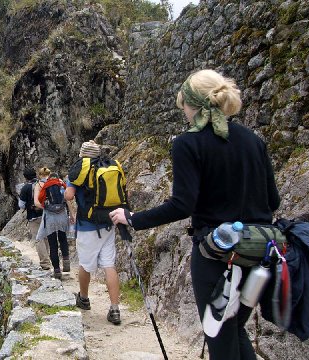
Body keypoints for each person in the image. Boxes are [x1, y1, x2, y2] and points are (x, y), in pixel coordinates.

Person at [110, 69, 280, 359]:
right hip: (258, 252)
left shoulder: (187, 143)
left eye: (184, 106)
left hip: (217, 255)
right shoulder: (253, 140)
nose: (184, 113)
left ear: (193, 105)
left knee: (219, 335)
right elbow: (272, 200)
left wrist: (133, 219)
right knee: (234, 329)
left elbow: (182, 205)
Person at [65, 141, 122, 325]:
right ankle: (114, 309)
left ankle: (84, 298)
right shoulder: (108, 166)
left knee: (85, 265)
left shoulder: (80, 170)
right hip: (108, 223)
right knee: (109, 265)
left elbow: (69, 196)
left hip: (88, 225)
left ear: (82, 156)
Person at [36, 171, 70, 279]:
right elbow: (67, 198)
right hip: (62, 216)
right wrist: (72, 214)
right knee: (63, 238)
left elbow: (40, 200)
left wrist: (47, 206)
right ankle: (66, 261)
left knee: (52, 244)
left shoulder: (45, 186)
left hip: (50, 218)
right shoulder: (61, 184)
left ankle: (57, 270)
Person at [18, 167, 51, 270]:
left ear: (25, 177)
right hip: (46, 214)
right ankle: (48, 258)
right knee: (46, 237)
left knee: (38, 238)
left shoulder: (25, 188)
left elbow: (21, 205)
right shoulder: (42, 184)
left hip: (34, 216)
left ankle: (45, 263)